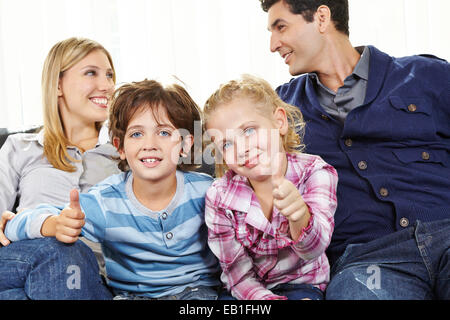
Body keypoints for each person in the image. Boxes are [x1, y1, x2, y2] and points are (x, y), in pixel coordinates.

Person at [259, 0, 450, 299]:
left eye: (280, 27)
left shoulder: (426, 75)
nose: (273, 44)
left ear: (321, 18)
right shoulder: (279, 110)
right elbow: (216, 135)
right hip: (369, 264)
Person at [5, 79, 221, 300]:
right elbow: (18, 223)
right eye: (137, 134)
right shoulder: (107, 201)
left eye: (164, 133)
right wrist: (55, 224)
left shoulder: (207, 191)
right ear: (120, 148)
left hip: (198, 293)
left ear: (185, 145)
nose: (150, 144)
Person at [0, 37, 120, 299]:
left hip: (94, 278)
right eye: (91, 73)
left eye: (110, 76)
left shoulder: (125, 151)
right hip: (26, 259)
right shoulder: (22, 147)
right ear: (57, 84)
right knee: (61, 251)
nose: (108, 86)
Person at [202, 74, 338, 300]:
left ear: (279, 122)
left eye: (248, 130)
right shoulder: (219, 196)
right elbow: (237, 275)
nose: (242, 149)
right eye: (226, 143)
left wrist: (299, 216)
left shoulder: (315, 172)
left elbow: (314, 249)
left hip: (303, 286)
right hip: (248, 293)